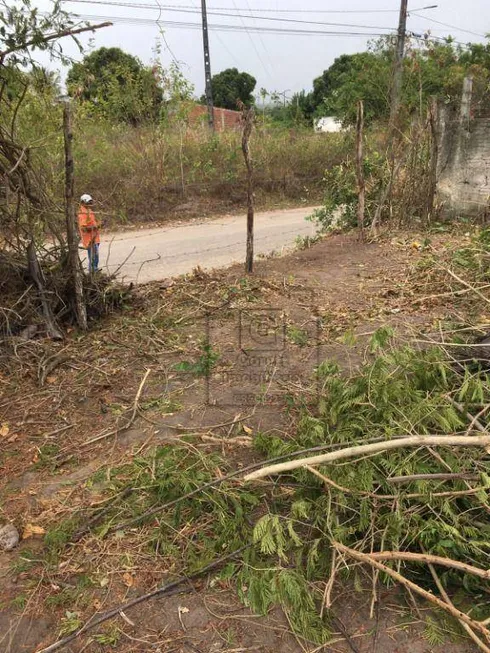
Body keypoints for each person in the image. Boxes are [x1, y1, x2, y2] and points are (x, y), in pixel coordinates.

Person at [78, 194, 100, 273]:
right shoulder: (82, 213)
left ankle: (95, 270)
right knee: (93, 257)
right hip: (89, 239)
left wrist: (98, 225)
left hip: (95, 238)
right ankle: (93, 272)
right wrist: (94, 228)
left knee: (95, 256)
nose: (90, 204)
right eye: (88, 202)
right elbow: (83, 228)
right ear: (83, 202)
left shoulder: (89, 210)